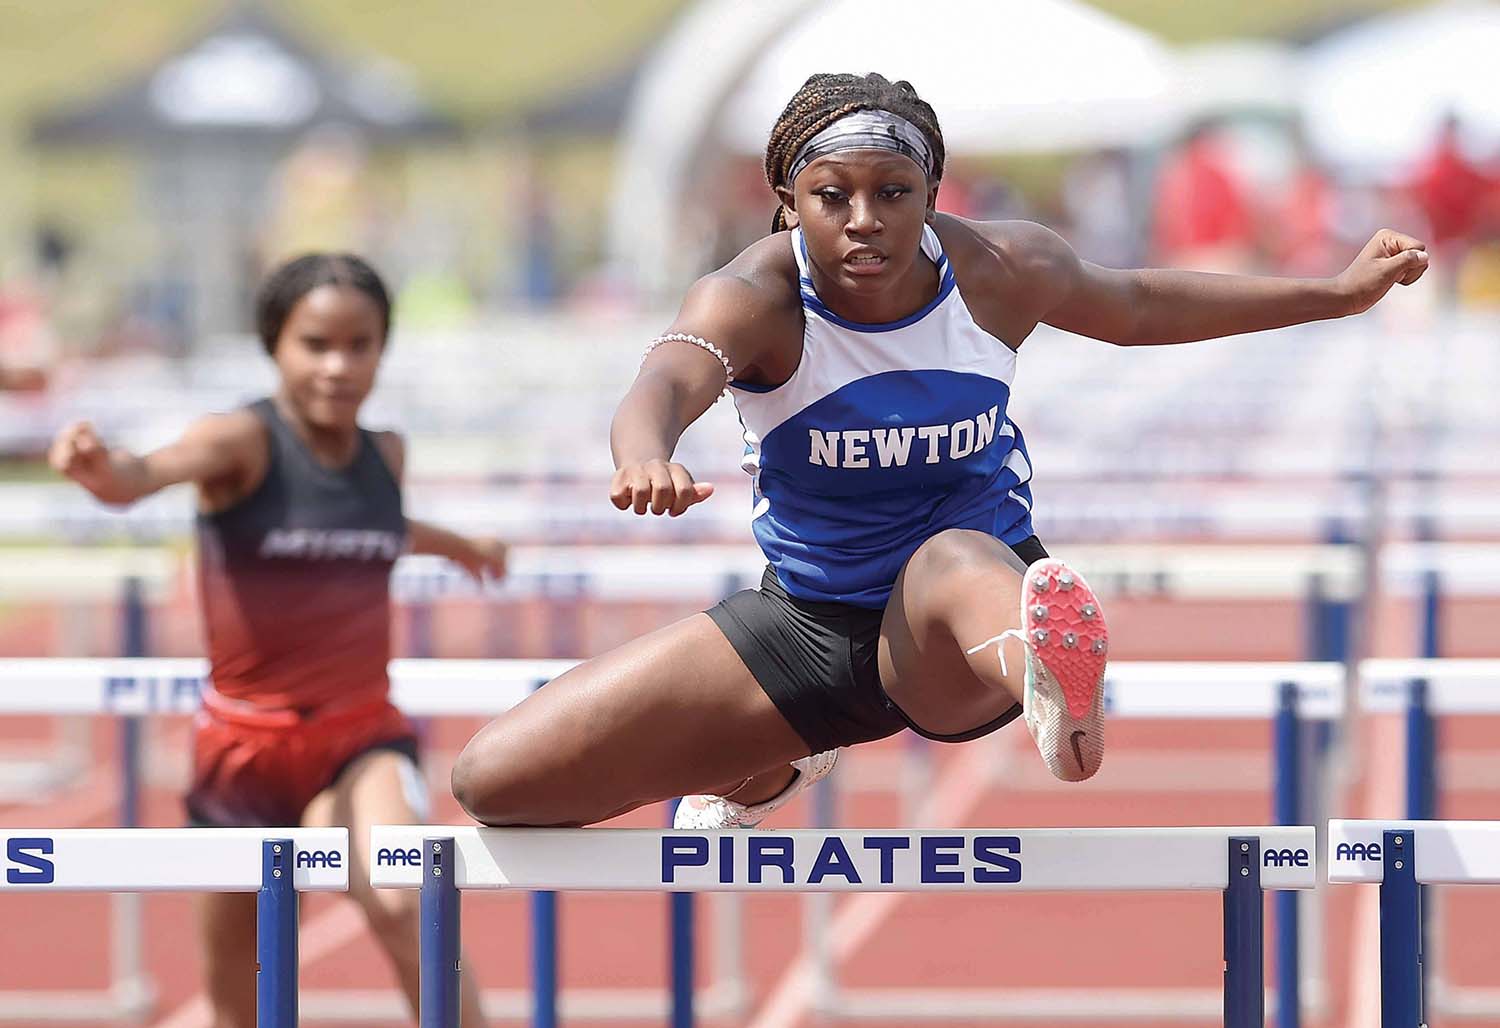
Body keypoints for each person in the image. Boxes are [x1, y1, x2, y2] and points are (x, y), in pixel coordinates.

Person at [450, 73, 1428, 833]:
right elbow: (667, 376)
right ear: (790, 200)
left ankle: (1048, 679)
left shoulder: (1000, 271)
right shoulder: (753, 295)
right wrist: (643, 451)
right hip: (807, 622)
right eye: (833, 195)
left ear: (931, 192)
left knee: (950, 557)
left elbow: (1136, 307)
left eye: (894, 191)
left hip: (957, 624)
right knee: (497, 781)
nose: (865, 217)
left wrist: (1331, 294)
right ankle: (778, 755)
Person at [49, 254, 496, 1028]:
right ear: (274, 345)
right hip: (241, 752)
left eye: (360, 346)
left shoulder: (385, 453)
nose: (338, 366)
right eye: (316, 344)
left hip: (359, 739)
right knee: (239, 988)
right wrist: (100, 472)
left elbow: (377, 527)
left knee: (408, 904)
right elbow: (143, 474)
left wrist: (464, 546)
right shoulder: (240, 441)